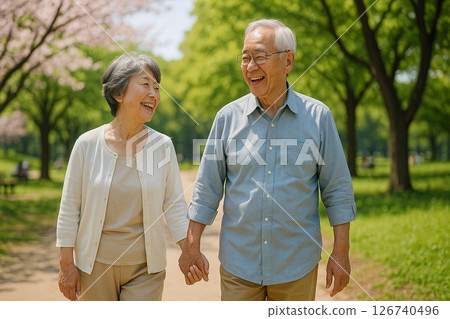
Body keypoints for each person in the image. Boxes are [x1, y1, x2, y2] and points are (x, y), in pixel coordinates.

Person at [179, 19, 356, 301]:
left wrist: (341, 252)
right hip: (239, 264)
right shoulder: (227, 118)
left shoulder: (318, 117)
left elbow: (337, 190)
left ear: (288, 62)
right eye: (245, 58)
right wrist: (191, 245)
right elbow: (207, 188)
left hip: (296, 265)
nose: (250, 67)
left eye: (260, 57)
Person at [56, 52, 198, 301]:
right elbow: (70, 209)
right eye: (145, 84)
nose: (154, 94)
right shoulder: (87, 144)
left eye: (157, 87)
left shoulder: (161, 146)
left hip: (146, 270)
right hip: (94, 268)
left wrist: (189, 250)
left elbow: (174, 205)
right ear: (118, 94)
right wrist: (67, 264)